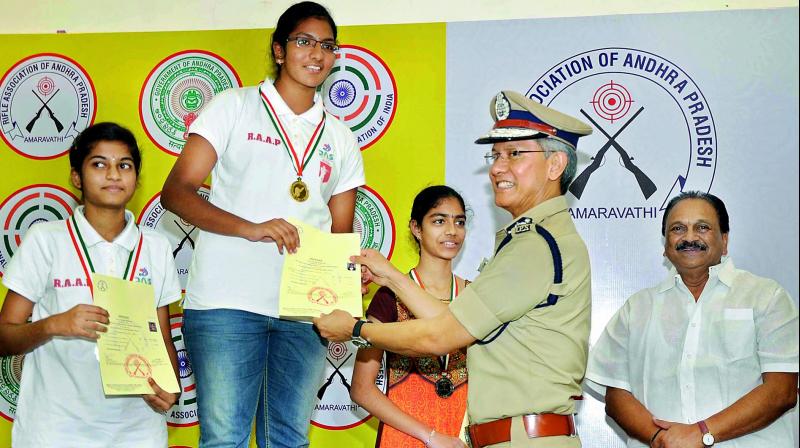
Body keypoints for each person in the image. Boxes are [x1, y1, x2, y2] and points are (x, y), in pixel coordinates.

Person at [315, 90, 593, 447]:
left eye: (514, 154)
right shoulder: (534, 240)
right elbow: (449, 322)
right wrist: (391, 277)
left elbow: (439, 337)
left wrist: (355, 328)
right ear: (416, 228)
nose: (496, 167)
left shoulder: (535, 245)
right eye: (495, 155)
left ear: (555, 165)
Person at [160, 2, 365, 447]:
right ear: (278, 50)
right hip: (225, 303)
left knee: (289, 439)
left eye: (327, 45)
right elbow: (176, 192)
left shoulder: (341, 137)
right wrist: (250, 228)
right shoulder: (232, 106)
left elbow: (341, 235)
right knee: (225, 440)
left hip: (302, 312)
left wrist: (350, 278)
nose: (316, 53)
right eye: (304, 41)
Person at [0, 122, 181, 447]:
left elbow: (163, 339)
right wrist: (55, 324)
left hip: (137, 431)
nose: (113, 174)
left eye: (124, 165)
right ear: (76, 177)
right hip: (55, 429)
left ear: (136, 179)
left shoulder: (156, 247)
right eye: (99, 164)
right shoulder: (47, 240)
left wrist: (168, 386)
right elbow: (4, 336)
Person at [586, 191, 798, 448]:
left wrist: (701, 433)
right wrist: (662, 439)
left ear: (725, 240)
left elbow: (781, 391)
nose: (689, 237)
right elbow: (616, 394)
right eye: (677, 229)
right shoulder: (637, 308)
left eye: (702, 227)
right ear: (665, 246)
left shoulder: (766, 296)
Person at [351, 185, 469, 448]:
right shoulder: (388, 297)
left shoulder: (476, 296)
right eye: (439, 221)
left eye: (459, 222)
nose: (452, 230)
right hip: (405, 438)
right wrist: (430, 436)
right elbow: (362, 388)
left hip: (464, 437)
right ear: (416, 228)